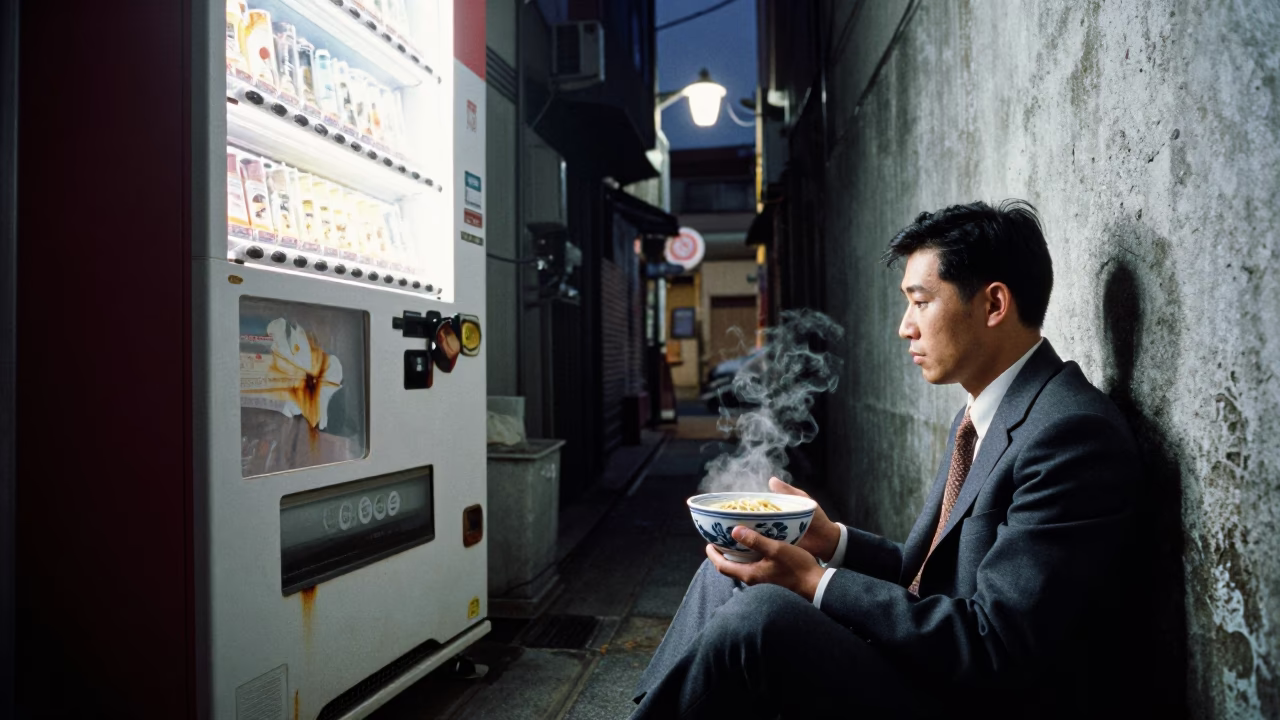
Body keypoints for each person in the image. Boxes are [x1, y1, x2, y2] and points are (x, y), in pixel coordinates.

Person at [630, 200, 1141, 719]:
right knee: (734, 570)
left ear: (993, 305)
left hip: (973, 698)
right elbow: (923, 577)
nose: (905, 327)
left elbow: (996, 644)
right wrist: (832, 541)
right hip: (934, 667)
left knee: (764, 615)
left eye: (920, 302)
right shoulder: (985, 412)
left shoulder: (1070, 434)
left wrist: (813, 580)